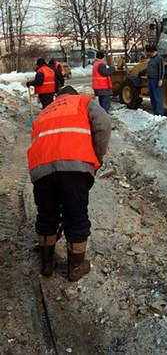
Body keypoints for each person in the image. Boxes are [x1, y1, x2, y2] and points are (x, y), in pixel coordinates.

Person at [27, 85, 112, 281]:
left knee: (47, 215)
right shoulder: (82, 101)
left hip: (41, 169)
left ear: (58, 97)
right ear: (73, 95)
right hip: (74, 167)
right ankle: (75, 267)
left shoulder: (45, 111)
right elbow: (103, 123)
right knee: (75, 215)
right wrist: (97, 156)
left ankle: (47, 264)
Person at [146, 45, 165, 116]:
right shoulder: (152, 59)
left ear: (154, 52)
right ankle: (155, 111)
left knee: (157, 96)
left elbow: (162, 69)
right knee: (152, 96)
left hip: (156, 79)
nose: (150, 54)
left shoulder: (159, 59)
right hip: (150, 79)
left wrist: (161, 79)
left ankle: (159, 112)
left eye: (151, 52)